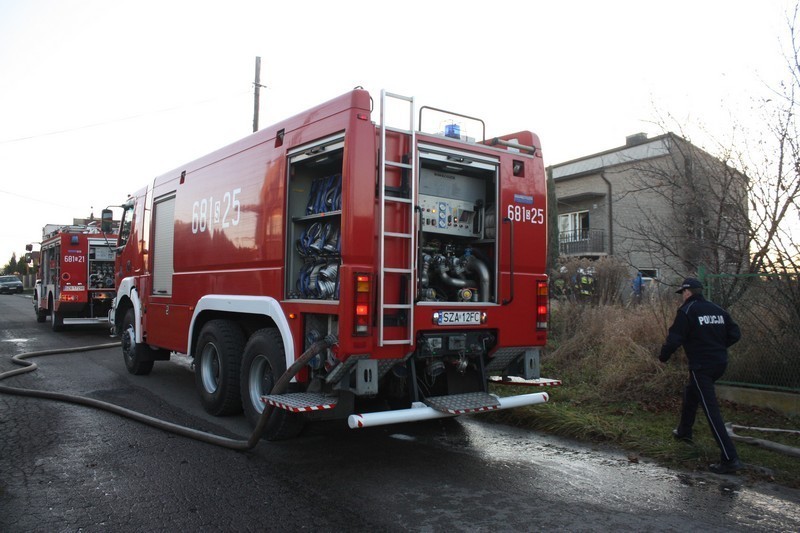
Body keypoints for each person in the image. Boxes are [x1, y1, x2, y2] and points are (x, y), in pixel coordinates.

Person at [659, 277, 743, 474]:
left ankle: (730, 458)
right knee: (691, 392)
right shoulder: (717, 309)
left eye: (682, 293)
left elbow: (674, 339)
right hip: (719, 363)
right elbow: (735, 333)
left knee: (710, 410)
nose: (682, 297)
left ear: (688, 292)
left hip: (701, 366)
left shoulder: (687, 311)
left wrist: (663, 357)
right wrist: (718, 347)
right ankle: (684, 432)